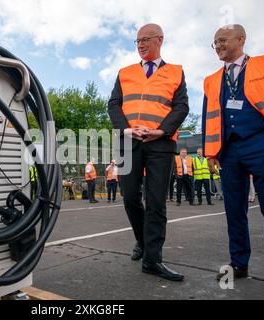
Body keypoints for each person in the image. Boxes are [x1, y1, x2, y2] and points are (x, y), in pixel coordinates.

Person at [202, 24, 264, 297]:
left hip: (262, 144)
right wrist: (211, 152)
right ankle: (239, 264)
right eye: (214, 43)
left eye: (222, 40)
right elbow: (207, 118)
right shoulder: (211, 80)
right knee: (234, 211)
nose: (218, 46)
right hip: (229, 151)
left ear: (241, 39)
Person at [108, 23, 189, 281]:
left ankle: (152, 260)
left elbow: (181, 107)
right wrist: (125, 130)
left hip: (160, 144)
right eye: (137, 41)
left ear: (160, 39)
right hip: (129, 142)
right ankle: (142, 241)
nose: (141, 45)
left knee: (155, 202)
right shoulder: (125, 72)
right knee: (130, 197)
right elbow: (113, 105)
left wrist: (163, 131)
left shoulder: (176, 72)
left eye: (146, 39)